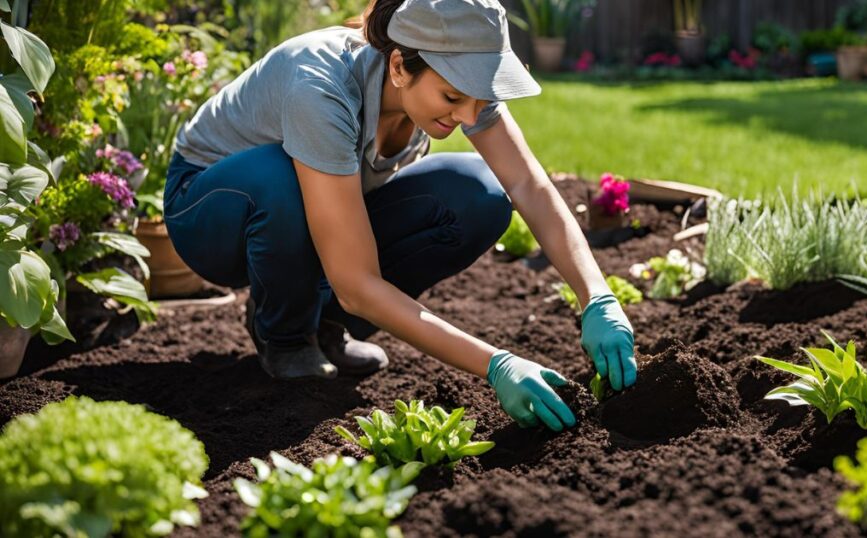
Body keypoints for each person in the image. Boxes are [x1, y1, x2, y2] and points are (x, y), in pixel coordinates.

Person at [164, 0, 636, 432]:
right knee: (277, 175)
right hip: (210, 211)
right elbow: (356, 281)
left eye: (479, 97)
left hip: (310, 210)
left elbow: (527, 184)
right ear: (398, 66)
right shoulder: (320, 87)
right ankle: (284, 334)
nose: (470, 116)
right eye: (452, 98)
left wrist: (597, 297)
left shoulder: (461, 88)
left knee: (478, 195)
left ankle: (322, 324)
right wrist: (496, 363)